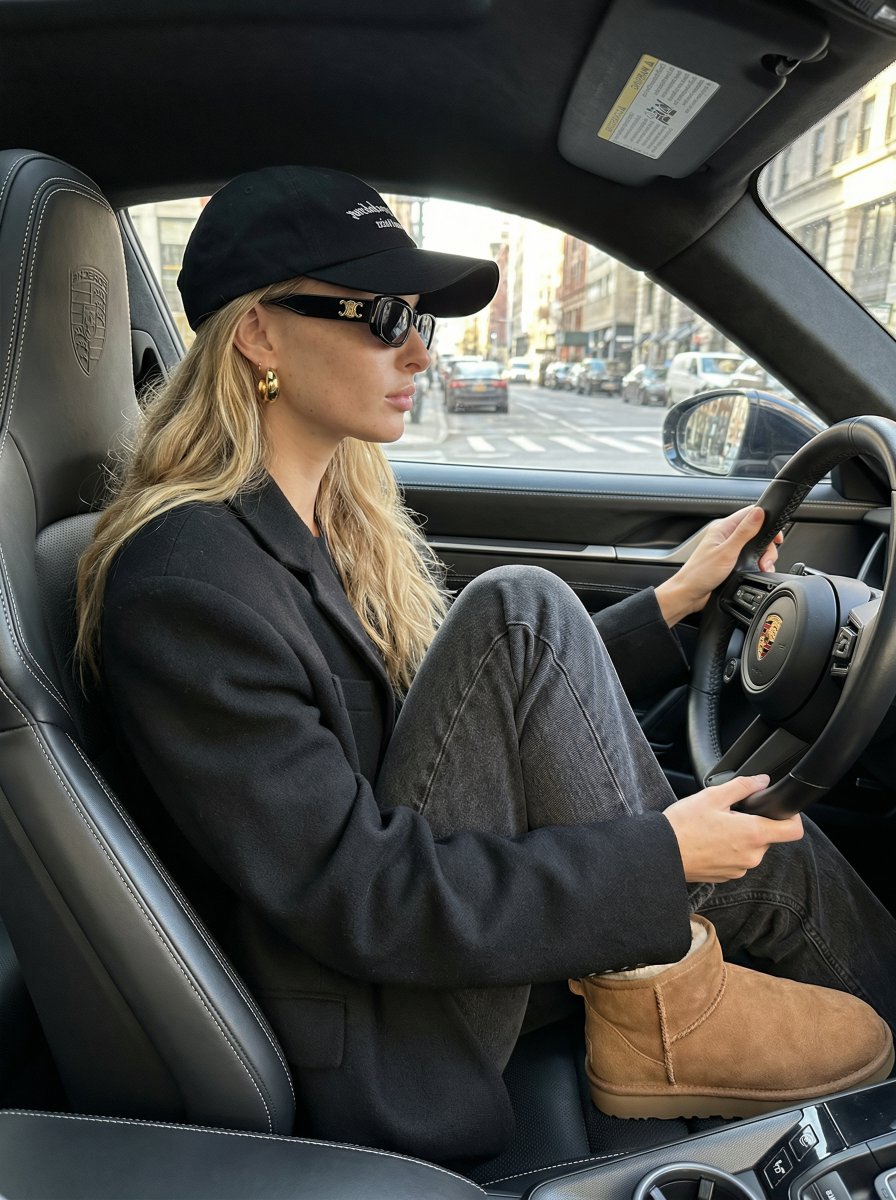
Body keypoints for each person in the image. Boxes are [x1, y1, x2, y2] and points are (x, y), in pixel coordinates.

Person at [75, 165, 896, 1167]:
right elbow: (359, 892)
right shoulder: (181, 580)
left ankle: (696, 999)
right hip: (383, 1027)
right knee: (523, 611)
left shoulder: (324, 519)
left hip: (428, 945)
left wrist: (674, 606)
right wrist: (660, 856)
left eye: (419, 318)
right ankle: (673, 1009)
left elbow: (467, 722)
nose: (419, 348)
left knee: (756, 828)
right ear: (257, 335)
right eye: (383, 316)